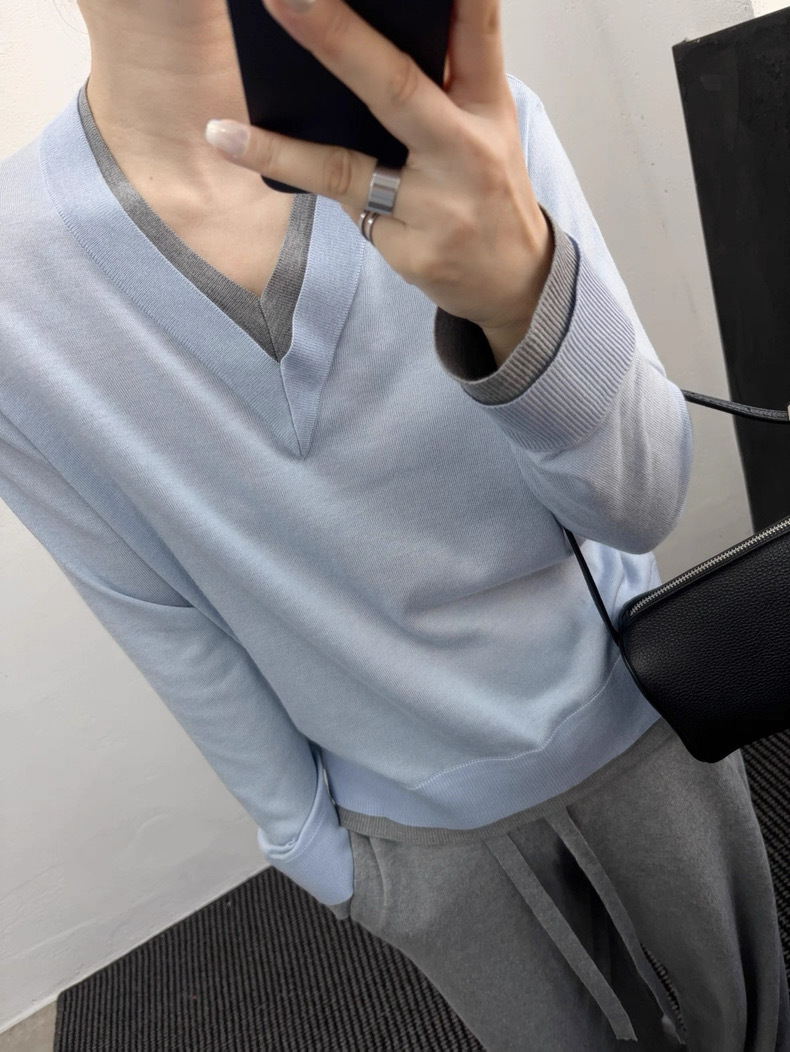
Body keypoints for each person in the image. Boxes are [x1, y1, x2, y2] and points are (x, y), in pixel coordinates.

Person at [2, 0, 787, 1047]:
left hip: (642, 721)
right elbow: (159, 612)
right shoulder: (15, 292)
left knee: (754, 1025)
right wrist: (320, 855)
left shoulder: (471, 127)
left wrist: (521, 300)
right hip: (413, 847)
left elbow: (641, 502)